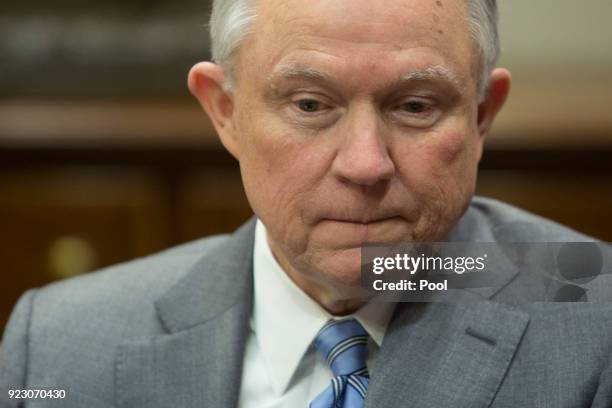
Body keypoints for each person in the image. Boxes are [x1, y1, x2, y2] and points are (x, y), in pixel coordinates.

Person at [1, 0, 611, 407]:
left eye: (416, 106)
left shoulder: (597, 323)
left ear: (481, 116)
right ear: (225, 111)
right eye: (310, 105)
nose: (366, 164)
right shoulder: (56, 344)